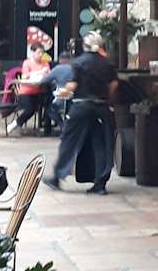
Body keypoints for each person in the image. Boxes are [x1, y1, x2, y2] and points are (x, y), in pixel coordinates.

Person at [45, 31, 118, 193]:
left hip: (81, 106)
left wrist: (63, 92)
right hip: (101, 107)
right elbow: (113, 85)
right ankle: (100, 184)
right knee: (100, 144)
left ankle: (57, 176)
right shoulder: (108, 63)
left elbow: (72, 86)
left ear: (85, 46)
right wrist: (108, 99)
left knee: (69, 141)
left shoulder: (79, 62)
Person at [8, 30, 53, 133]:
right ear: (33, 52)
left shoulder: (45, 62)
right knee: (30, 110)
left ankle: (47, 128)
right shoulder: (27, 63)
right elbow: (25, 76)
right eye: (38, 52)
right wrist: (39, 72)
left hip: (40, 90)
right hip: (27, 91)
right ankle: (16, 123)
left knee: (50, 104)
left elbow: (48, 73)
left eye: (42, 52)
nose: (40, 55)